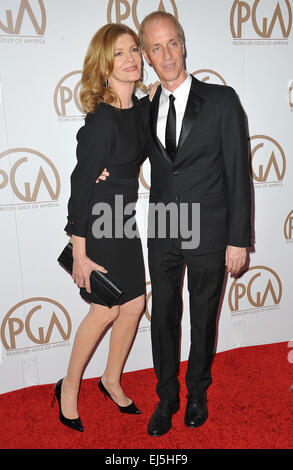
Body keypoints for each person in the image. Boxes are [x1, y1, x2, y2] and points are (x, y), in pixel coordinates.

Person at [138, 12, 252, 436]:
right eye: (155, 47)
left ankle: (197, 392)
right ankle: (166, 397)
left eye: (171, 43)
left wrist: (238, 239)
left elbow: (239, 174)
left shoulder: (222, 100)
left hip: (210, 230)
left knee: (204, 317)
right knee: (163, 315)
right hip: (164, 228)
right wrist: (101, 172)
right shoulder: (144, 107)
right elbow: (122, 151)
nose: (166, 54)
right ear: (147, 56)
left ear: (183, 44)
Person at [51, 23, 148, 432]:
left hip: (124, 222)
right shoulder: (101, 121)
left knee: (135, 304)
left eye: (133, 50)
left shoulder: (144, 109)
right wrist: (79, 251)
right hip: (99, 227)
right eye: (119, 54)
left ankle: (110, 379)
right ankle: (69, 385)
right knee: (105, 308)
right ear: (104, 66)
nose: (130, 59)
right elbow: (79, 186)